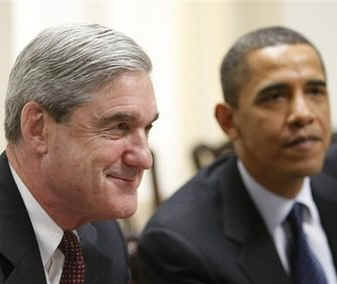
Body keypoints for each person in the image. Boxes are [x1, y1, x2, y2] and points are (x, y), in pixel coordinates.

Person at [137, 26, 337, 284]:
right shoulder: (179, 244)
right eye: (275, 96)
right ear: (229, 121)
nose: (303, 113)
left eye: (315, 91)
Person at [0, 23, 158, 284]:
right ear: (37, 128)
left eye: (147, 128)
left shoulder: (105, 236)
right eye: (119, 127)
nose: (145, 158)